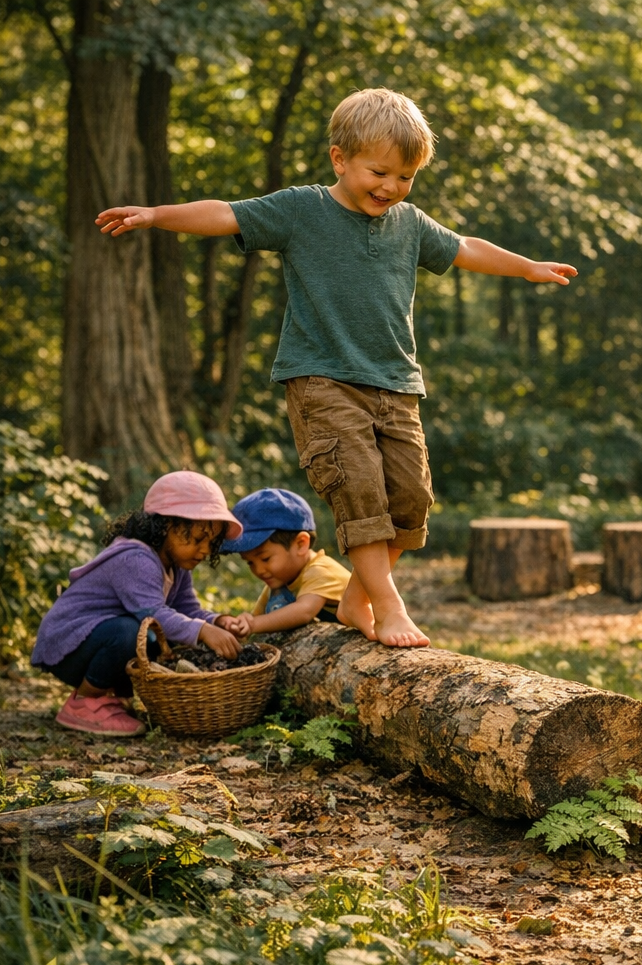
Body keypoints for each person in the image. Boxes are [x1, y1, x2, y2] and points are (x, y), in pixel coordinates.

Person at [94, 88, 576, 648]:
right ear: (340, 159)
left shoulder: (410, 223)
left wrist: (526, 269)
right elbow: (226, 214)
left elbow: (465, 247)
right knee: (360, 491)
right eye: (380, 172)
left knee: (411, 500)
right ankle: (389, 604)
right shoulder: (304, 210)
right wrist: (155, 215)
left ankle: (355, 600)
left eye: (406, 178)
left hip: (395, 383)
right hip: (322, 378)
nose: (391, 188)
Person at [31, 472, 246, 738]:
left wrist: (216, 621)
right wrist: (202, 630)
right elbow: (154, 614)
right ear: (166, 526)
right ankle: (83, 702)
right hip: (67, 645)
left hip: (95, 643)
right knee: (133, 631)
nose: (203, 551)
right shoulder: (136, 558)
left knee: (155, 637)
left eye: (210, 543)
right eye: (197, 539)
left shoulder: (177, 568)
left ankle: (111, 698)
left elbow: (187, 611)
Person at [223, 488, 352, 636]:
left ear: (300, 544)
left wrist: (253, 624)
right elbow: (260, 618)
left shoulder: (321, 571)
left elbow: (304, 611)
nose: (259, 570)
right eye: (250, 563)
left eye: (265, 559)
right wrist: (242, 625)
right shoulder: (279, 582)